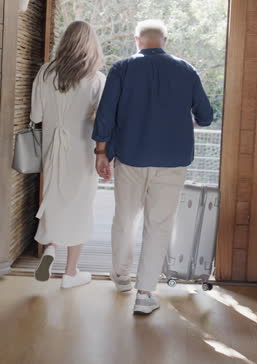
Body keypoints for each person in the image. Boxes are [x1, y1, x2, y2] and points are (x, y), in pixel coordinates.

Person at [92, 19, 213, 315]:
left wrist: (100, 151)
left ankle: (121, 278)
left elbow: (105, 113)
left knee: (124, 218)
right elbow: (207, 116)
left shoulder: (122, 68)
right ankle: (145, 294)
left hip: (130, 157)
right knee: (158, 225)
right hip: (172, 161)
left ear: (137, 39)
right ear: (165, 39)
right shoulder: (186, 70)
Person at [31, 21, 105, 288]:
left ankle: (50, 248)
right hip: (83, 151)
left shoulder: (45, 73)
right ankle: (71, 273)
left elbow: (36, 115)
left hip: (53, 149)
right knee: (80, 206)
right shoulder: (96, 79)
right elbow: (103, 122)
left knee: (54, 198)